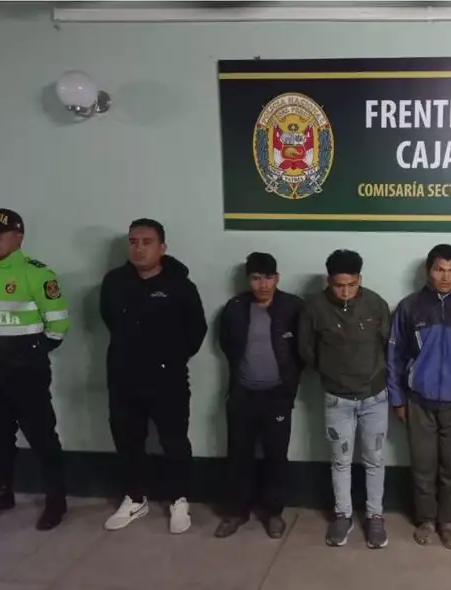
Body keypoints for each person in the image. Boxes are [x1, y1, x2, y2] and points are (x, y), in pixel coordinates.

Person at [0, 208, 71, 530]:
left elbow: (59, 324)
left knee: (41, 435)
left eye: (0, 233)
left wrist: (32, 353)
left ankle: (56, 500)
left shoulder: (38, 274)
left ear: (19, 237)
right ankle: (0, 493)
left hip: (26, 367)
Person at [99, 219, 207, 534]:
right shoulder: (114, 282)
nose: (139, 248)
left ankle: (179, 499)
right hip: (122, 377)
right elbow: (108, 318)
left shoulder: (181, 286)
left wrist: (168, 360)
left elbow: (196, 331)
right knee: (128, 440)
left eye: (147, 242)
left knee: (174, 441)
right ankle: (135, 498)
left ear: (162, 247)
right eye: (133, 241)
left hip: (167, 379)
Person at [386, 244, 451, 549]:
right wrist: (398, 399)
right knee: (423, 466)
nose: (445, 276)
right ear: (428, 270)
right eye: (438, 269)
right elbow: (394, 356)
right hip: (418, 402)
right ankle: (427, 519)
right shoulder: (409, 307)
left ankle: (449, 521)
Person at [298, 249, 392, 549]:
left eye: (352, 284)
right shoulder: (314, 307)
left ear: (360, 279)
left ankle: (376, 517)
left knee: (374, 459)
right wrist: (331, 373)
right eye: (339, 285)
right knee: (340, 461)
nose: (346, 291)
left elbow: (386, 344)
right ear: (329, 281)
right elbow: (306, 350)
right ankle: (343, 515)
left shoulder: (375, 304)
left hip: (374, 396)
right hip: (337, 398)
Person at [214, 252, 304, 539]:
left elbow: (303, 349)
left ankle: (273, 513)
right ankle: (235, 511)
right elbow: (228, 345)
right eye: (255, 278)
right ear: (247, 280)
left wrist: (289, 382)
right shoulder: (236, 308)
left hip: (278, 394)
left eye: (268, 277)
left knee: (276, 455)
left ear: (277, 278)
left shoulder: (292, 307)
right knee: (239, 454)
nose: (262, 284)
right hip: (242, 393)